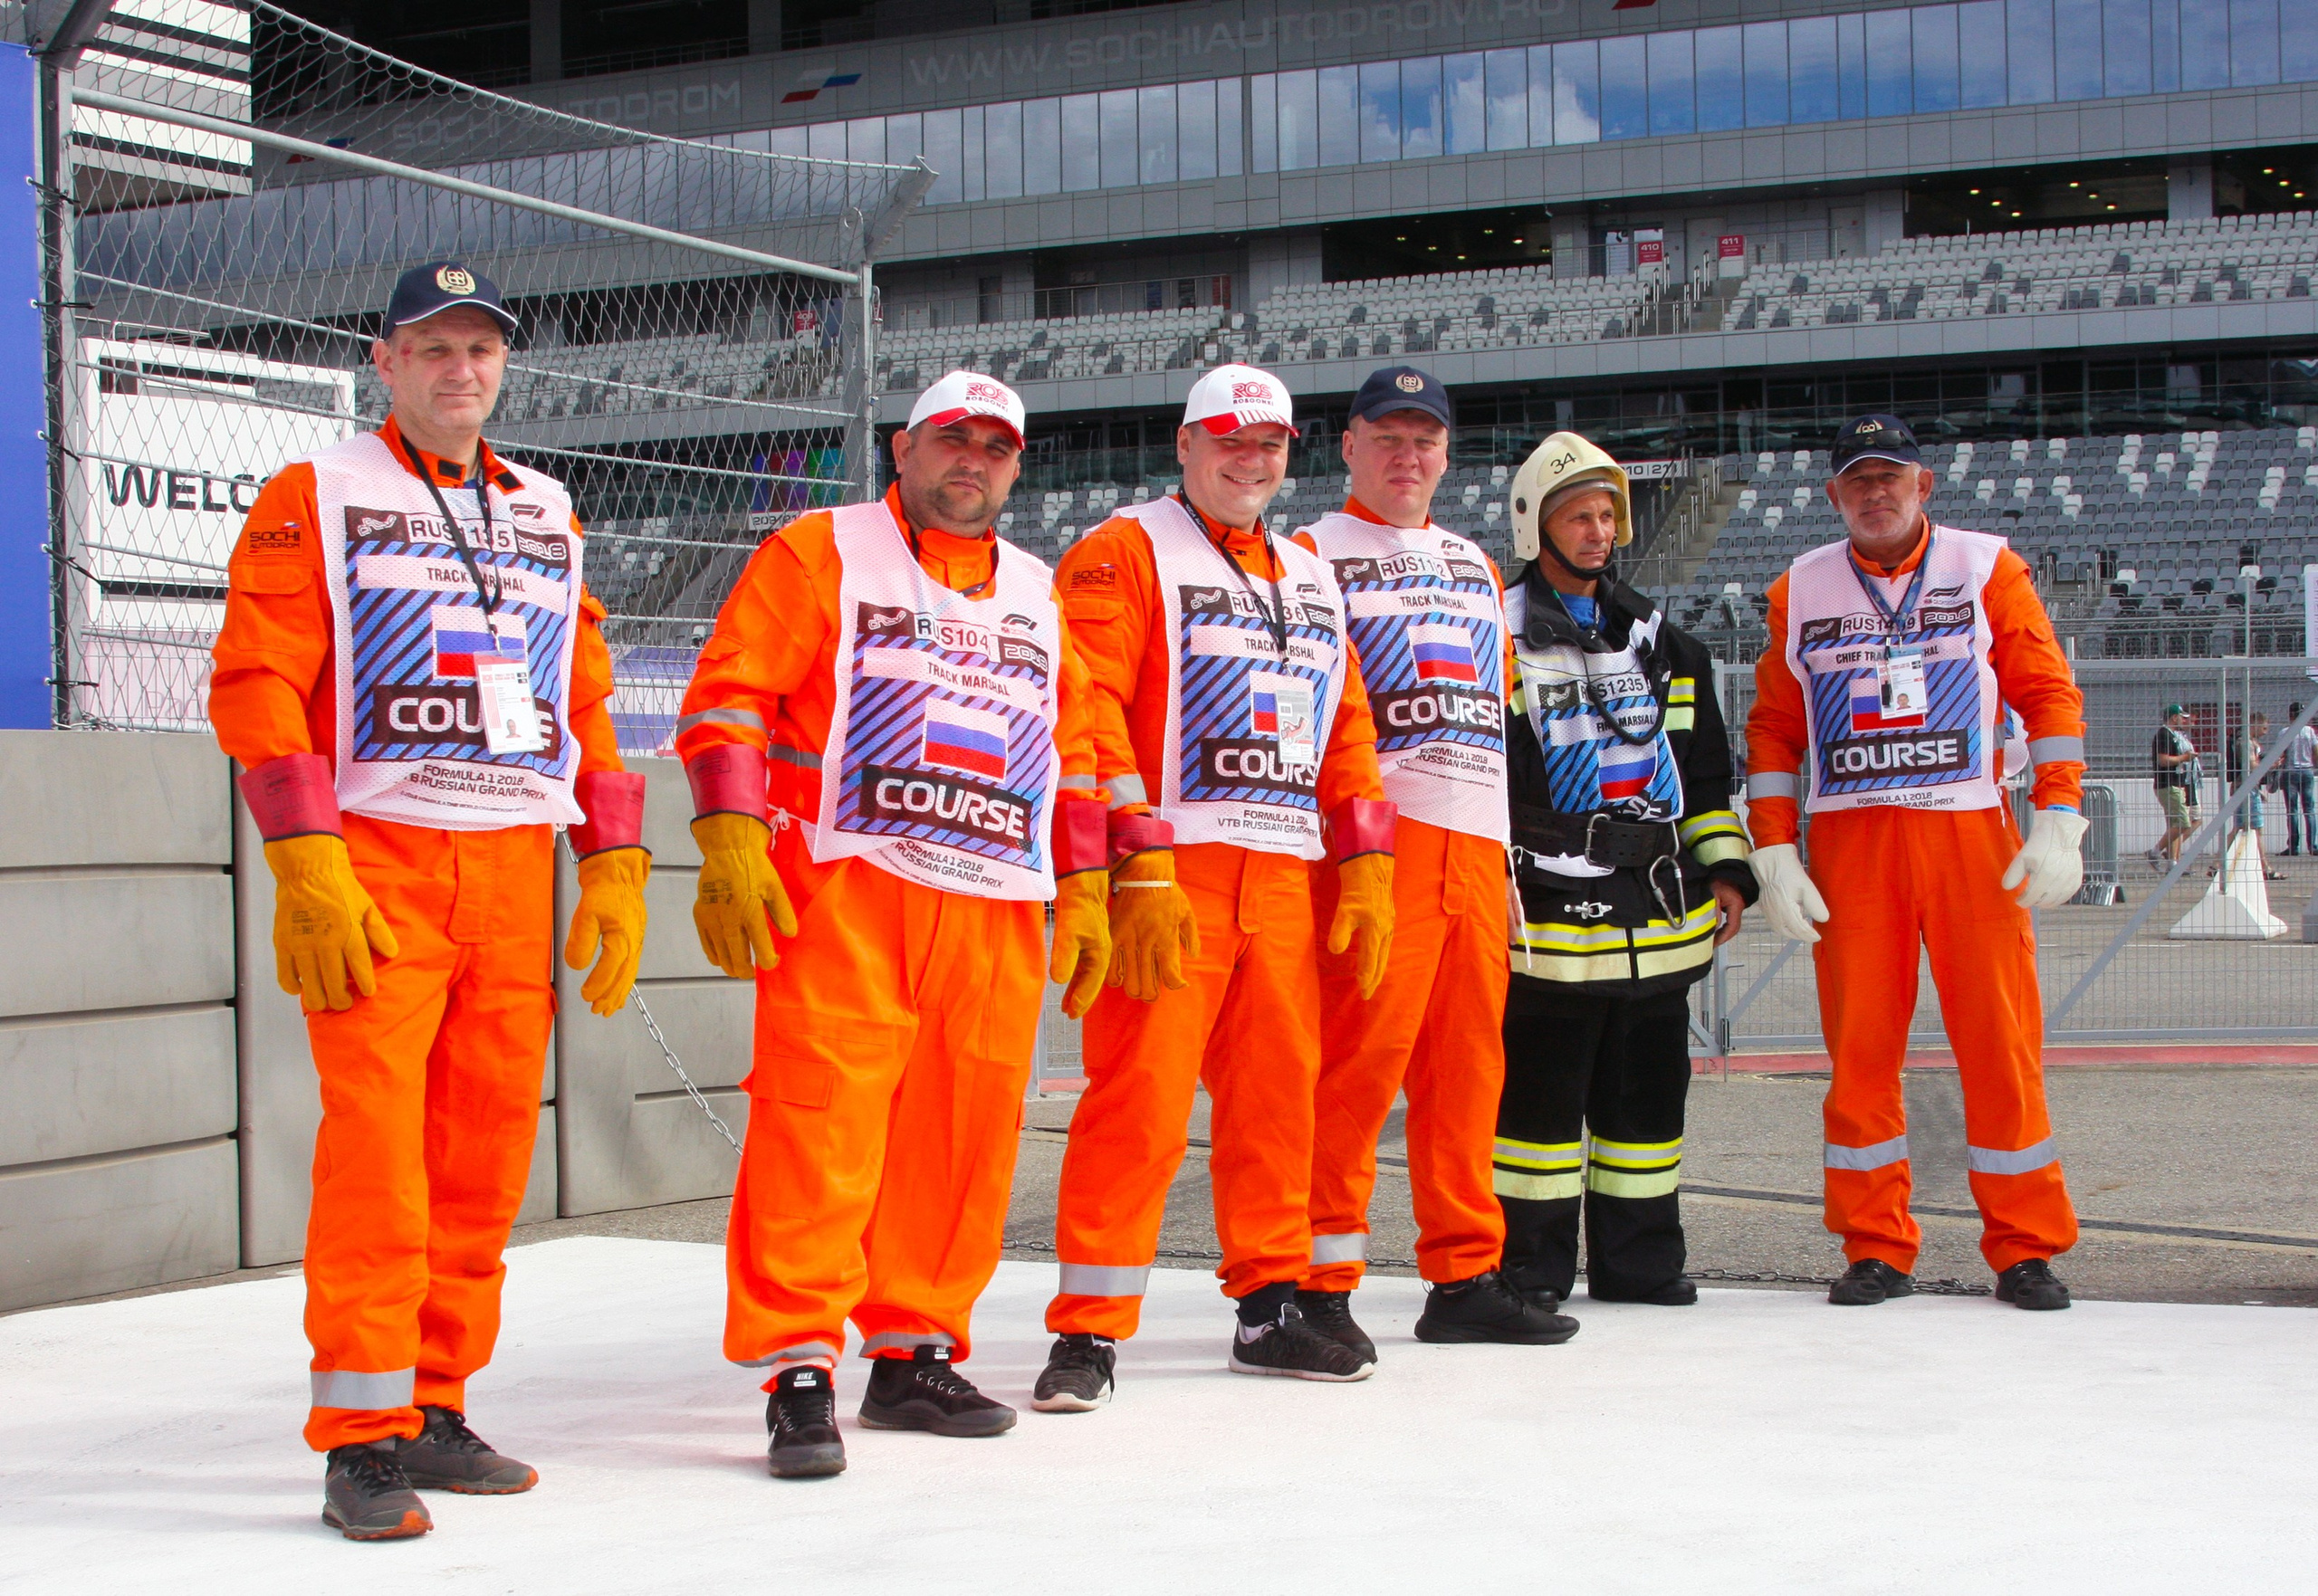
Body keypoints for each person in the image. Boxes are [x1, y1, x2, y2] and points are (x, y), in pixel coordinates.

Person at [209, 262, 649, 1540]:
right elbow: (257, 682)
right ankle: (358, 1434)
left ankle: (435, 1401)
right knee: (377, 1157)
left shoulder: (548, 508)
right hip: (379, 863)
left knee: (480, 1156)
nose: (462, 368)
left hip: (513, 860)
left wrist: (614, 859)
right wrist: (305, 859)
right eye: (434, 348)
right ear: (384, 361)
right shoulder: (318, 493)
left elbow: (587, 694)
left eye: (482, 348)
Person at [672, 372, 1116, 1478]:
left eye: (996, 447)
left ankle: (913, 1349)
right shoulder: (820, 549)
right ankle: (798, 1368)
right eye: (951, 439)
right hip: (849, 886)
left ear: (1017, 467)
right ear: (905, 448)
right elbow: (730, 693)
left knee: (961, 1130)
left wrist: (1101, 883)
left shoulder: (1035, 588)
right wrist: (727, 837)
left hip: (994, 896)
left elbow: (1084, 749)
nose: (973, 460)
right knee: (818, 1122)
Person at [1031, 364, 1397, 1410]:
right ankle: (1088, 1329)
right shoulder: (1125, 548)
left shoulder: (1311, 572)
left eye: (1271, 444)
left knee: (1278, 1101)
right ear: (1186, 445)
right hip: (1170, 878)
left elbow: (1348, 728)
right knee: (1136, 1104)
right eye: (1230, 440)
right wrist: (1133, 859)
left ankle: (1272, 1304)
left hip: (1281, 872)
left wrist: (1366, 859)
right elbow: (1086, 707)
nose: (1251, 460)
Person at [1745, 414, 2086, 1312]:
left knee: (2001, 1042)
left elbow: (2045, 688)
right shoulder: (1799, 586)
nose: (1874, 493)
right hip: (1852, 843)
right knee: (1859, 1052)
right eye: (1857, 480)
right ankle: (1874, 1243)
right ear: (1833, 496)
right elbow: (1775, 727)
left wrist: (2059, 812)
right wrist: (1772, 845)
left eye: (1889, 476)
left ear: (1922, 485)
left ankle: (2023, 1245)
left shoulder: (1984, 566)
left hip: (1970, 835)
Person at [1290, 368, 1576, 1357]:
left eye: (1425, 441)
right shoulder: (1306, 554)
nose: (1407, 457)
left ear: (1447, 455)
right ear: (1349, 447)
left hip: (1473, 848)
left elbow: (1494, 704)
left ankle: (1462, 1272)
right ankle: (1315, 1275)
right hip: (1375, 844)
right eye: (1388, 438)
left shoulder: (1472, 564)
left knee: (1466, 1073)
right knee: (1354, 1067)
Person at [1493, 433, 1758, 1311]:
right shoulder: (1493, 640)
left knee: (1645, 1111)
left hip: (1655, 917)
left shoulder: (1669, 645)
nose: (1599, 531)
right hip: (1546, 923)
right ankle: (1529, 1269)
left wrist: (1724, 868)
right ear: (1537, 524)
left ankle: (1639, 1265)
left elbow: (1705, 773)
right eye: (1579, 515)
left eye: (1608, 514)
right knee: (1535, 1118)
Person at [2150, 703, 2201, 867]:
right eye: (2182, 717)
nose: (2185, 721)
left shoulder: (2174, 735)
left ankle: (2173, 862)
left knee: (2176, 823)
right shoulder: (2164, 735)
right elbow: (2163, 760)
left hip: (2177, 783)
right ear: (2174, 717)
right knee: (2182, 823)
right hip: (2168, 784)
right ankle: (2155, 852)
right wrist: (2185, 758)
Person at [2283, 702, 2316, 856]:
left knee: (2292, 811)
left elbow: (2281, 754)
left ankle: (2294, 847)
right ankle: (2313, 846)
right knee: (2309, 810)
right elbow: (2316, 751)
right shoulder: (2309, 731)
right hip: (2307, 770)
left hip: (2290, 771)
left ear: (2290, 715)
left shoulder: (2285, 732)